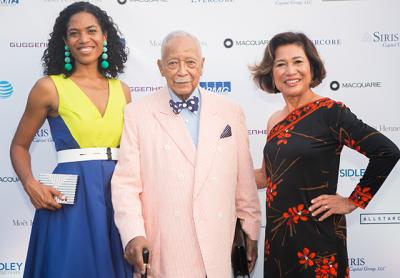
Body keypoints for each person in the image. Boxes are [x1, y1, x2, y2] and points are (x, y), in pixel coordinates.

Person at [111, 30, 261, 278]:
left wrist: (251, 229)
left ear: (202, 65)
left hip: (218, 243)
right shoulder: (138, 114)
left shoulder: (230, 112)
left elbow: (243, 179)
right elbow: (125, 184)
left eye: (190, 62)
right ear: (160, 67)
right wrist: (133, 234)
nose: (182, 71)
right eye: (173, 63)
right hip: (166, 245)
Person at [251, 31, 400, 277]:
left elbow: (386, 152)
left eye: (298, 61)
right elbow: (268, 178)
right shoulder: (274, 121)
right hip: (279, 241)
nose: (290, 71)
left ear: (312, 66)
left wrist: (353, 201)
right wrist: (220, 168)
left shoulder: (331, 113)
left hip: (318, 240)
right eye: (281, 64)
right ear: (271, 73)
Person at [10, 2, 133, 277]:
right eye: (74, 33)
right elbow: (18, 146)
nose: (84, 39)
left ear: (104, 36)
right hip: (69, 197)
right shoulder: (48, 88)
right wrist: (30, 184)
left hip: (117, 194)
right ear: (65, 41)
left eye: (91, 31)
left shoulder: (123, 91)